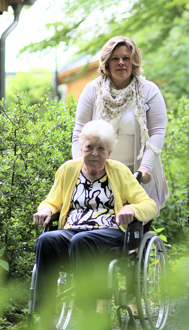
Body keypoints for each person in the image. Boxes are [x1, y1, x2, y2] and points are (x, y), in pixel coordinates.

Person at [33, 120, 157, 329]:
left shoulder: (119, 172)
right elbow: (51, 201)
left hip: (110, 233)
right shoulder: (67, 170)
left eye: (101, 148)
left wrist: (131, 209)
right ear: (81, 148)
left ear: (109, 152)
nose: (94, 153)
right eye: (89, 147)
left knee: (82, 240)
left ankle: (91, 312)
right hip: (72, 231)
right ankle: (44, 314)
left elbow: (149, 205)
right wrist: (46, 210)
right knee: (46, 239)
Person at [72, 36, 168, 217]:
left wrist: (145, 168)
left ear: (134, 62)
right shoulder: (92, 90)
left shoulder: (149, 90)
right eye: (115, 58)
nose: (121, 63)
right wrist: (81, 166)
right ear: (106, 63)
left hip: (137, 174)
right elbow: (79, 132)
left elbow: (156, 133)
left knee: (133, 228)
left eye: (126, 58)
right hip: (99, 173)